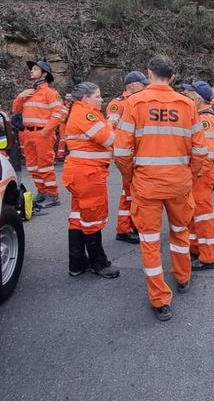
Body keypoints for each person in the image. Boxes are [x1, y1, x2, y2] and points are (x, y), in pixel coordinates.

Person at [114, 55, 207, 321]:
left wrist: (131, 176)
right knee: (180, 232)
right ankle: (183, 277)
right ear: (174, 77)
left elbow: (121, 152)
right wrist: (189, 174)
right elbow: (200, 149)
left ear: (149, 73)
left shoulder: (134, 103)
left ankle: (160, 299)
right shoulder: (188, 105)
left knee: (150, 241)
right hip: (179, 183)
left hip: (147, 185)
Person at [62, 82, 119, 279]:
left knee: (79, 218)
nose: (101, 99)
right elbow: (108, 139)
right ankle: (99, 264)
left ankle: (76, 263)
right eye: (98, 95)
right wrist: (111, 122)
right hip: (88, 175)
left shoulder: (79, 112)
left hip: (80, 173)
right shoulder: (87, 114)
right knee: (93, 219)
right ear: (86, 98)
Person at [12, 60, 67, 207]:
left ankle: (53, 195)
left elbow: (58, 115)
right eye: (32, 69)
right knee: (32, 167)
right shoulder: (28, 92)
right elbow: (16, 110)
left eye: (35, 69)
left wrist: (45, 132)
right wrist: (21, 96)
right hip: (28, 134)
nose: (31, 71)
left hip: (42, 134)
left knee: (45, 166)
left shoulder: (50, 93)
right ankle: (42, 192)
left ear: (44, 73)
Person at [106, 71, 149, 244]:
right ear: (132, 85)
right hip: (126, 154)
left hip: (137, 154)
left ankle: (131, 226)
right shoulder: (118, 103)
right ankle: (124, 229)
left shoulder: (140, 101)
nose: (146, 86)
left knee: (133, 193)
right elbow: (111, 127)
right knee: (128, 194)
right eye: (142, 83)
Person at [181, 81, 214, 271]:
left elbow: (208, 153)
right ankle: (196, 249)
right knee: (195, 215)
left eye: (189, 94)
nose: (185, 97)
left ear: (197, 98)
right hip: (199, 174)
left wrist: (194, 171)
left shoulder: (206, 120)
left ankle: (209, 257)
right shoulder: (201, 116)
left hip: (201, 175)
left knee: (203, 217)